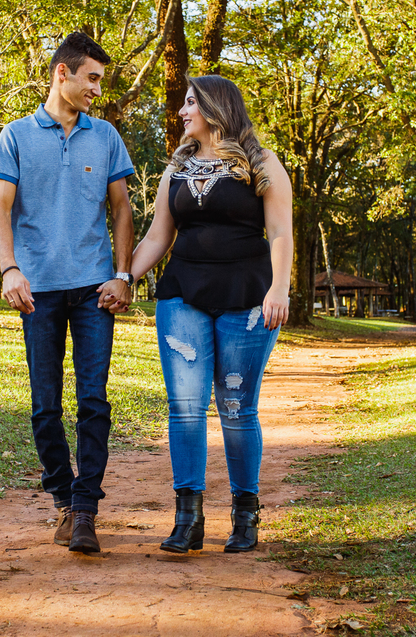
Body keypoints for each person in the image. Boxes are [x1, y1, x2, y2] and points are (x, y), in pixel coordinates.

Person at [123, 74, 293, 554]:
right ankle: (188, 518)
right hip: (183, 297)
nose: (181, 111)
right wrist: (125, 278)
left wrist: (279, 289)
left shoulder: (261, 162)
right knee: (185, 408)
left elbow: (280, 232)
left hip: (248, 298)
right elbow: (159, 237)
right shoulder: (176, 168)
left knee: (236, 409)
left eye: (190, 102)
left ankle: (245, 517)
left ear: (216, 107)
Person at [0, 32, 135, 554]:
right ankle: (63, 502)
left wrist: (122, 273)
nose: (97, 88)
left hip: (95, 289)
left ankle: (86, 511)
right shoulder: (15, 136)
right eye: (91, 78)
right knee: (45, 407)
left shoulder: (107, 136)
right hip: (38, 292)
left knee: (93, 401)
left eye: (100, 79)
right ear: (62, 74)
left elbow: (122, 209)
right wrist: (9, 269)